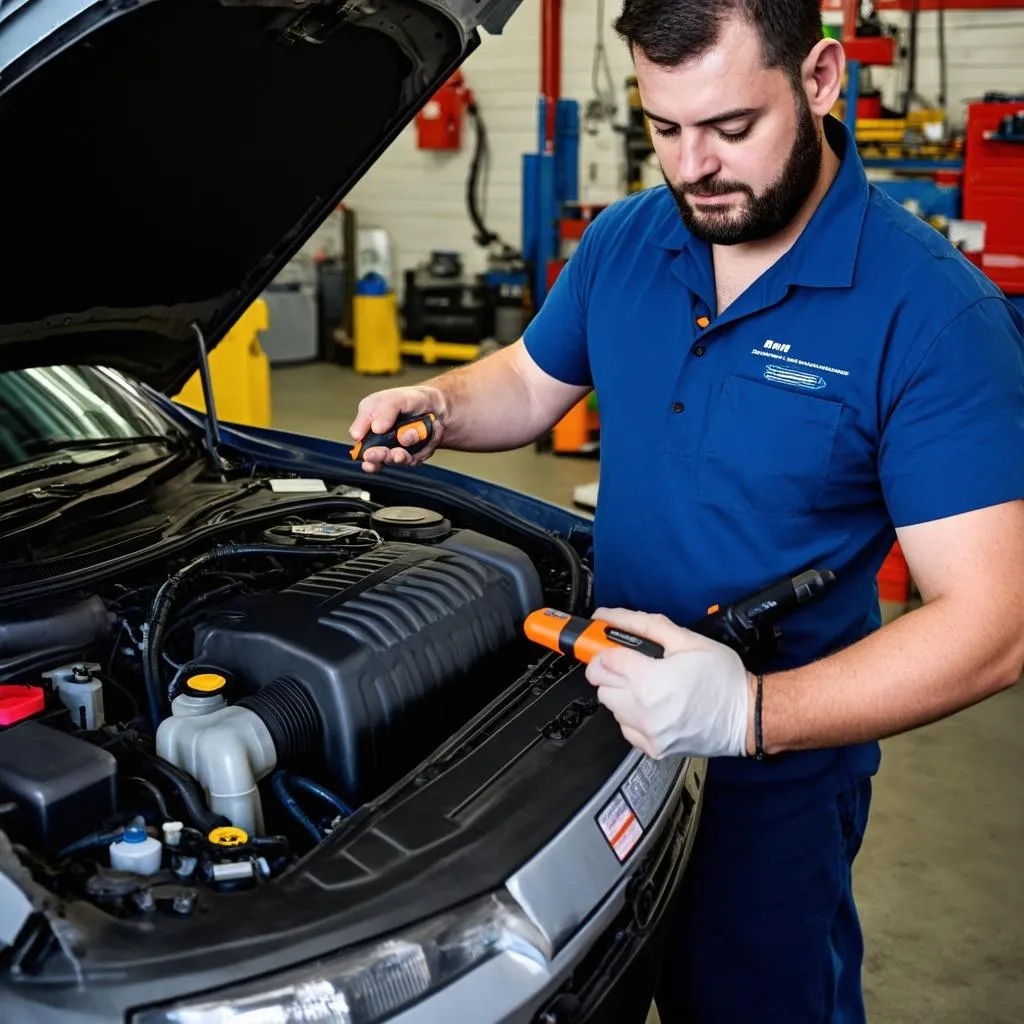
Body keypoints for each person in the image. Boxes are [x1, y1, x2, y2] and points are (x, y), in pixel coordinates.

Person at [347, 1, 1024, 1020]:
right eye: (665, 129)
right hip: (596, 727)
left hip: (776, 777)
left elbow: (992, 625)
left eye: (730, 127)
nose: (693, 167)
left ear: (822, 78)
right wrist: (441, 402)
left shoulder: (931, 313)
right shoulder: (628, 239)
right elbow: (533, 385)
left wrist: (750, 714)